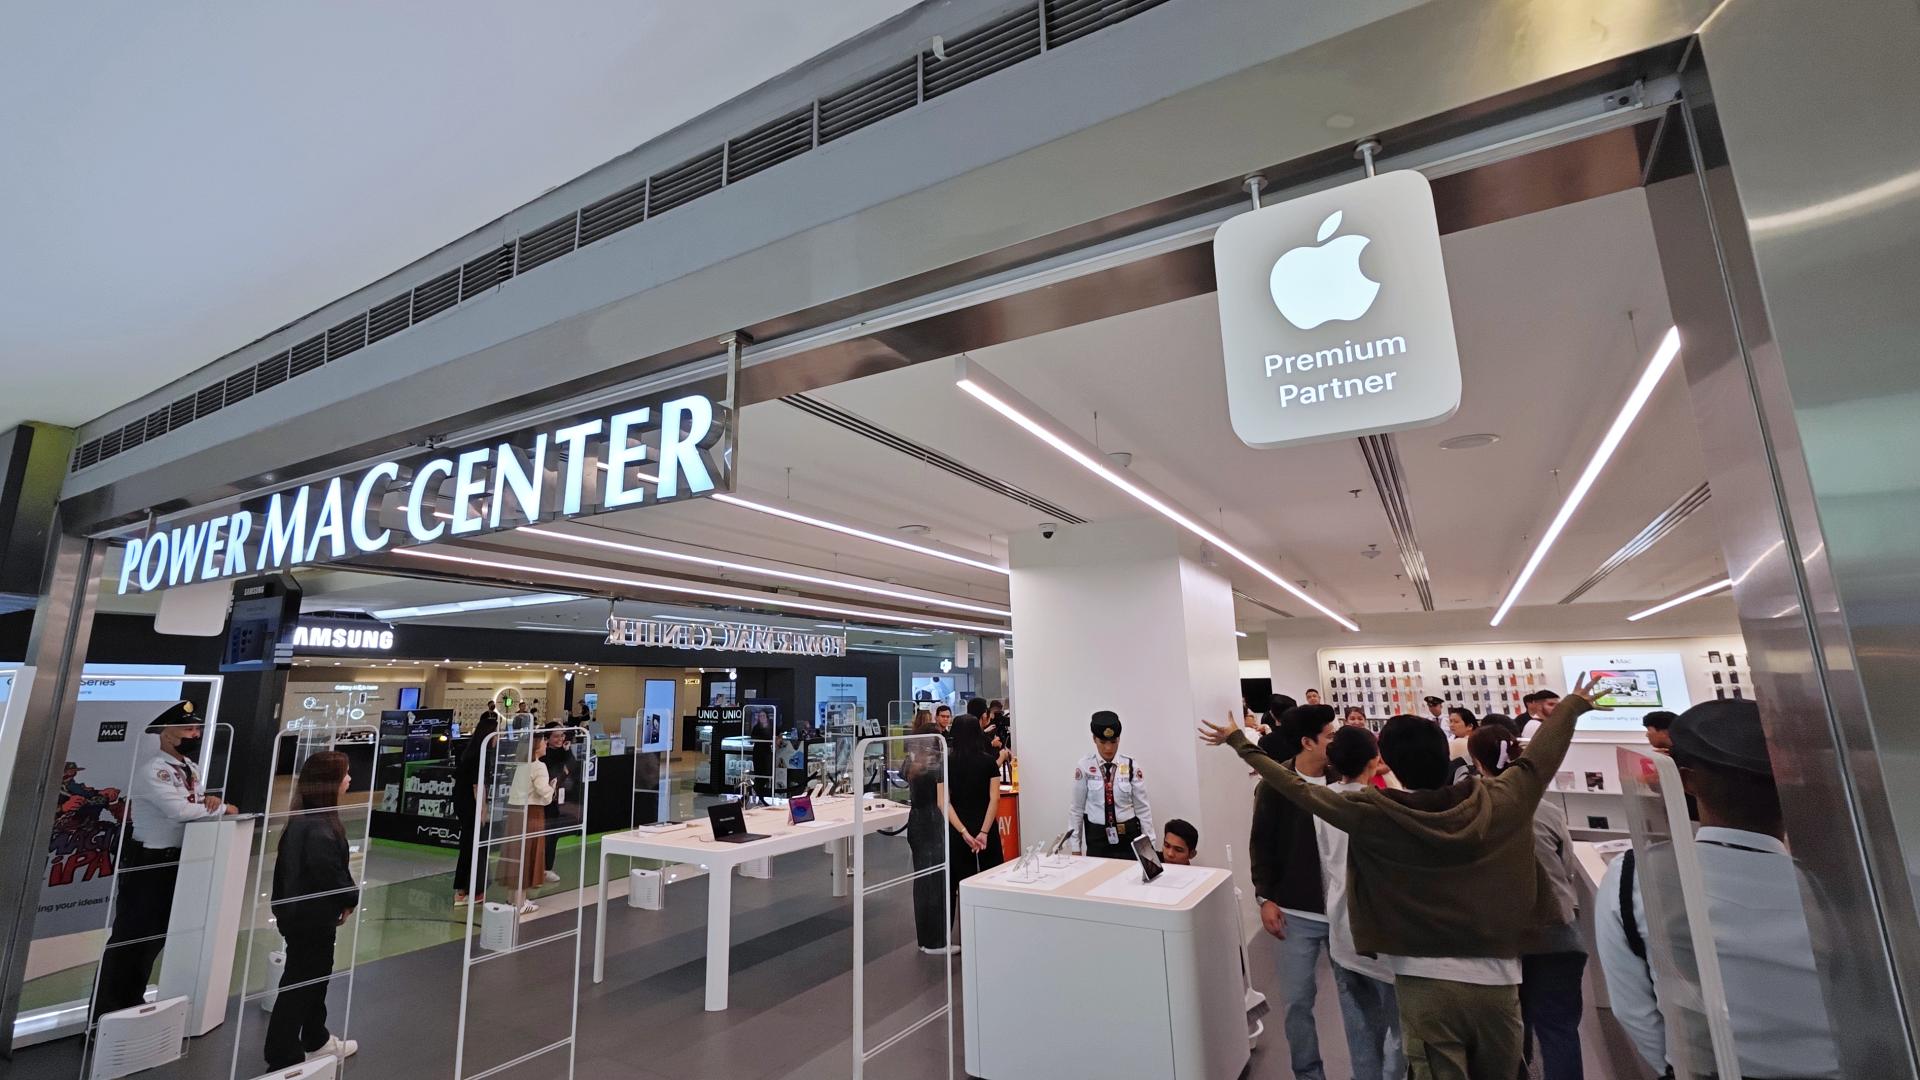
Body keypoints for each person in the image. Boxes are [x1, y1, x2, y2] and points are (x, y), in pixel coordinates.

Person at [1199, 677, 1605, 1080]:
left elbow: (1297, 789)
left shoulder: (1377, 815)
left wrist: (1240, 742)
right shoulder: (1501, 802)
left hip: (1420, 982)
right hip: (1497, 978)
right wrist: (1571, 706)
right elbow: (1539, 760)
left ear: (1390, 762)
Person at [1596, 699, 1840, 1079]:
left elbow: (1633, 1010)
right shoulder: (1838, 886)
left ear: (1686, 781)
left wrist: (1681, 1068)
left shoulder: (1633, 876)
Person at [92, 701, 235, 1019]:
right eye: (187, 728)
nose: (194, 734)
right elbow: (179, 811)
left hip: (177, 861)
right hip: (150, 862)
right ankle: (105, 1017)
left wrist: (211, 801)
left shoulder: (190, 768)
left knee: (153, 939)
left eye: (197, 729)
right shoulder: (154, 771)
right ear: (166, 734)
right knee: (130, 939)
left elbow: (195, 802)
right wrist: (224, 809)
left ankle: (131, 1004)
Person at [1467, 725, 1585, 1080]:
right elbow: (1566, 867)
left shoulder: (1470, 809)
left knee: (1509, 1028)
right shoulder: (1546, 810)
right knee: (1559, 1028)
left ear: (1476, 762)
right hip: (1558, 932)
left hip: (1500, 936)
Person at [1249, 704, 1336, 1080]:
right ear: (1307, 742)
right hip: (1296, 913)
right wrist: (1265, 897)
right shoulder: (1275, 785)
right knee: (1298, 1003)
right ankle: (1308, 1074)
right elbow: (1261, 843)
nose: (1336, 742)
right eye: (1330, 736)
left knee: (1359, 1000)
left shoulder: (1344, 779)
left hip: (1345, 911)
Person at [1319, 726, 1407, 1080]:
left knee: (1360, 1031)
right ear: (1375, 760)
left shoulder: (1323, 801)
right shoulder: (1385, 805)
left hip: (1341, 930)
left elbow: (1325, 862)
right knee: (1400, 1030)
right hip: (1384, 937)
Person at [264, 751, 360, 1068]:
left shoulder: (308, 820)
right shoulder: (317, 827)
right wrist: (349, 897)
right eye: (344, 774)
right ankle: (283, 1056)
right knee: (303, 982)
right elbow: (328, 872)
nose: (349, 779)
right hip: (309, 918)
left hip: (304, 915)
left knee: (313, 979)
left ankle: (316, 1038)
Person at [1069, 712, 1156, 858]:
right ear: (1094, 739)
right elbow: (1076, 809)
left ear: (1119, 739)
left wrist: (1149, 845)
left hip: (1128, 838)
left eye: (1113, 742)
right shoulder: (1085, 766)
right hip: (1097, 839)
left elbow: (1143, 809)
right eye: (1103, 742)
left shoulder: (1131, 765)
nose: (1108, 748)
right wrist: (1075, 847)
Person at [941, 714, 1003, 912]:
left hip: (958, 827)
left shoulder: (946, 763)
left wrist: (963, 832)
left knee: (961, 882)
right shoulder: (989, 762)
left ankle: (967, 925)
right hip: (986, 824)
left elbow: (944, 802)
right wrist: (984, 832)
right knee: (992, 879)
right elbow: (995, 798)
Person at [904, 713, 954, 954]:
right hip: (931, 823)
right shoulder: (934, 767)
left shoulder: (912, 764)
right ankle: (935, 941)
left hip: (917, 822)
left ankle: (926, 939)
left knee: (924, 880)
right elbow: (942, 801)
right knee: (934, 880)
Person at [501, 731, 555, 914]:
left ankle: (513, 898)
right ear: (536, 746)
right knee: (528, 853)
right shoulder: (539, 767)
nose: (546, 744)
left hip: (515, 813)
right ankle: (521, 902)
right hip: (532, 813)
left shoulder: (522, 766)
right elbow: (543, 791)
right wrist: (552, 789)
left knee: (516, 853)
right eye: (544, 742)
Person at [452, 711, 498, 905]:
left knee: (468, 845)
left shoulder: (470, 752)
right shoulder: (481, 756)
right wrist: (483, 810)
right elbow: (477, 786)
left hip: (463, 804)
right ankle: (471, 889)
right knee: (475, 846)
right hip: (471, 806)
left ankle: (464, 889)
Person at [540, 723, 578, 882]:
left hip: (557, 799)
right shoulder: (543, 754)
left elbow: (571, 766)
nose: (560, 739)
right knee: (543, 835)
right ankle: (539, 869)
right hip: (544, 799)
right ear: (547, 738)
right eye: (556, 736)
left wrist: (567, 752)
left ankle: (547, 867)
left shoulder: (564, 752)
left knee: (552, 834)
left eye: (562, 735)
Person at [1446, 707, 1479, 783]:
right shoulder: (1478, 740)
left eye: (1456, 722)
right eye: (1450, 721)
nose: (1451, 725)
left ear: (1469, 726)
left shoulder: (1460, 742)